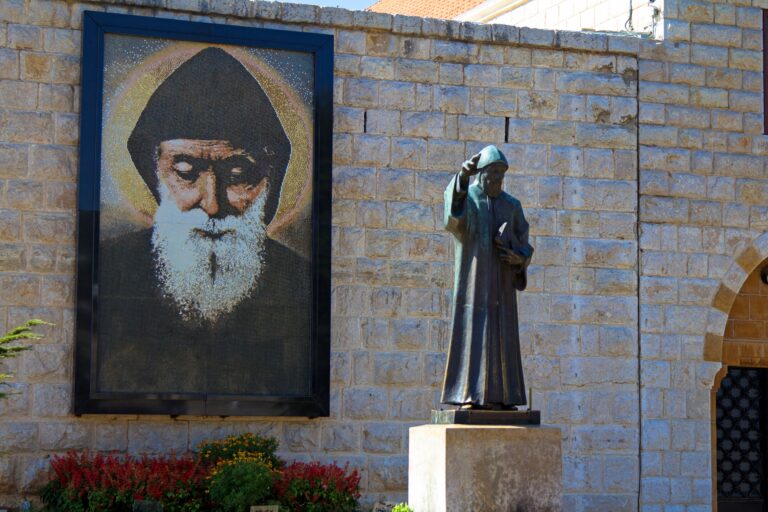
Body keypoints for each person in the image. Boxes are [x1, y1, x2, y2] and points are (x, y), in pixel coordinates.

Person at [95, 47, 312, 398]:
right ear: (154, 174)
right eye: (185, 172)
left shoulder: (301, 281)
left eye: (239, 173)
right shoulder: (110, 267)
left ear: (271, 182)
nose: (212, 204)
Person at [441, 145, 534, 409]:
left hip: (503, 287)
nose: (496, 180)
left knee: (503, 336)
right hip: (475, 284)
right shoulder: (468, 198)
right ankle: (468, 395)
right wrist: (461, 177)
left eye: (501, 175)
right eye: (492, 174)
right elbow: (453, 219)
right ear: (481, 174)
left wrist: (520, 258)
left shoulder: (512, 206)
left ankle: (506, 398)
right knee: (473, 332)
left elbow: (525, 243)